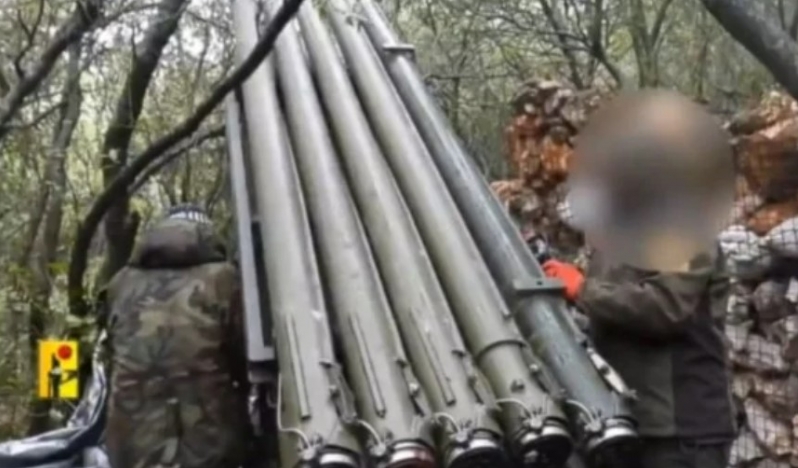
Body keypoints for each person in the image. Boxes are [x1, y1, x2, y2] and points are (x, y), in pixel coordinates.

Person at [542, 92, 737, 468]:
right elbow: (608, 309)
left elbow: (665, 308)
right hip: (632, 422)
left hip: (682, 433)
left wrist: (582, 289)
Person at [103, 205, 248, 468]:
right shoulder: (225, 280)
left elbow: (110, 355)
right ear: (206, 233)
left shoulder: (120, 283)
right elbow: (246, 362)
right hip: (207, 448)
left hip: (131, 448)